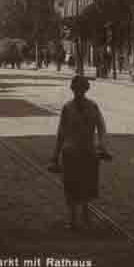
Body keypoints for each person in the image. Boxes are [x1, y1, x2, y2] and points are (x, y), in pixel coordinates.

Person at [49, 75, 111, 229]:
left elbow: (101, 126)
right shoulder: (67, 108)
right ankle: (73, 219)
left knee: (86, 186)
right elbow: (61, 133)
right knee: (70, 187)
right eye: (76, 90)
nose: (79, 93)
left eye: (81, 90)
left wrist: (101, 144)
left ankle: (85, 217)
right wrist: (55, 156)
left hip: (88, 152)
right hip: (70, 152)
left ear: (86, 90)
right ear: (72, 90)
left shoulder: (93, 107)